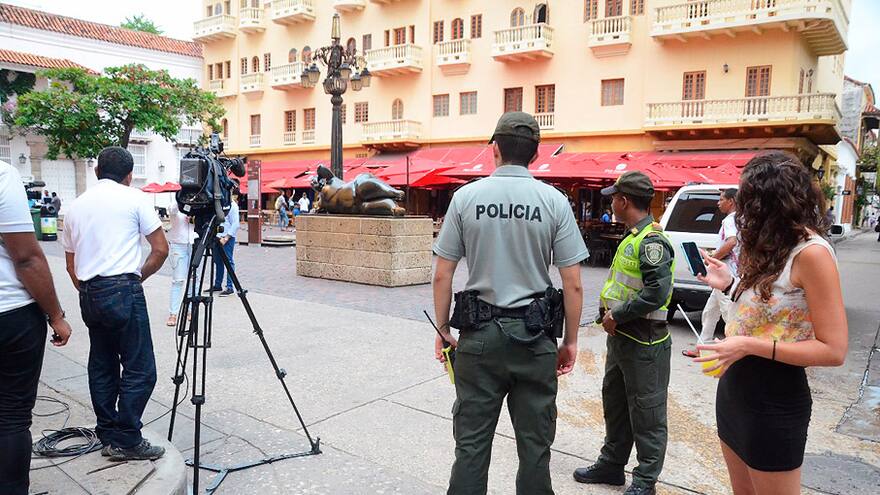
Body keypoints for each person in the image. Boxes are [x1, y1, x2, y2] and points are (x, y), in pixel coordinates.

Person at [433, 112, 588, 495]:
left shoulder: (466, 197)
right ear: (535, 154)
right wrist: (570, 341)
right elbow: (573, 284)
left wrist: (442, 329)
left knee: (471, 446)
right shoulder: (554, 202)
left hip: (479, 338)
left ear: (495, 148)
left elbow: (442, 274)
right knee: (535, 448)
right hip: (534, 340)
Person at [695, 151, 847, 495]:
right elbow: (772, 312)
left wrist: (747, 345)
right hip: (735, 390)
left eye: (750, 202)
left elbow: (833, 349)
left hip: (775, 399)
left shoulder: (812, 253)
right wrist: (730, 285)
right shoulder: (770, 244)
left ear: (775, 204)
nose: (743, 212)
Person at [61, 146, 168, 462]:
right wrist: (133, 280)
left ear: (96, 172)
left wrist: (91, 289)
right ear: (129, 175)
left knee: (102, 364)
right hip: (123, 288)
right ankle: (127, 438)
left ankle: (107, 431)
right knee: (141, 368)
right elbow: (160, 249)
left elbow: (70, 264)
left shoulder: (76, 206)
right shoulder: (134, 198)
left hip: (89, 292)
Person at [574, 171, 675, 495]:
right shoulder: (634, 236)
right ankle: (612, 465)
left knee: (647, 414)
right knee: (615, 404)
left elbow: (658, 292)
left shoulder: (652, 241)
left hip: (645, 341)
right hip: (622, 339)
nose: (612, 203)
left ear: (624, 201)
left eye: (614, 198)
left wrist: (618, 314)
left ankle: (645, 482)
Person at [0, 161, 72, 495]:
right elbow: (27, 258)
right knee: (12, 416)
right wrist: (56, 315)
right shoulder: (2, 175)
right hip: (10, 312)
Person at [683, 188, 738, 358]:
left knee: (728, 313)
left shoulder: (730, 220)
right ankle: (703, 347)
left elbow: (732, 242)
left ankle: (734, 348)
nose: (718, 202)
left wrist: (712, 257)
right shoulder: (739, 219)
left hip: (726, 276)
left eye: (722, 199)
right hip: (727, 274)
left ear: (731, 201)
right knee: (710, 312)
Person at [166, 202, 196, 327]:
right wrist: (181, 201)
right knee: (178, 280)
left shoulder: (197, 205)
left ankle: (190, 309)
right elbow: (172, 210)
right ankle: (173, 313)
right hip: (178, 245)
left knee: (193, 278)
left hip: (194, 242)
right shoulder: (175, 205)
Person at [207, 190, 240, 297]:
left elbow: (236, 224)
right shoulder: (219, 204)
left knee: (229, 262)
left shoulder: (233, 206)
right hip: (217, 237)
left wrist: (226, 237)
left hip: (227, 238)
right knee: (218, 262)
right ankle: (218, 284)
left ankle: (230, 287)